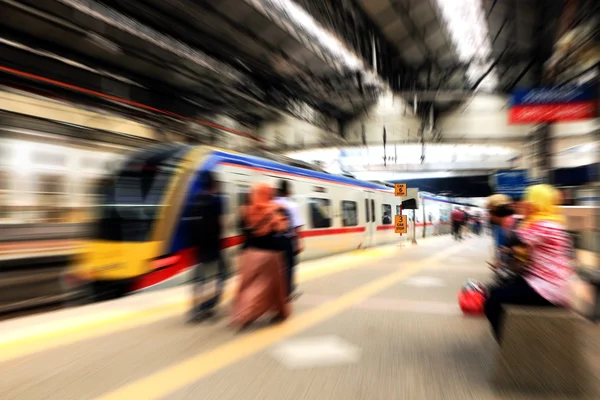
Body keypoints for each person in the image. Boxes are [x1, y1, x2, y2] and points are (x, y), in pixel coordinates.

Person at [484, 185, 573, 344]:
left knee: (493, 300)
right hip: (549, 282)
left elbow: (515, 240)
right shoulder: (553, 221)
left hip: (548, 288)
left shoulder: (542, 225)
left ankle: (511, 345)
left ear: (536, 203)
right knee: (498, 289)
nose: (524, 203)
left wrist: (515, 219)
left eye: (528, 200)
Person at [231, 182, 291, 330]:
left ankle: (243, 312)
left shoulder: (245, 210)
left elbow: (241, 229)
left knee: (247, 286)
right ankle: (247, 314)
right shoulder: (276, 210)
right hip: (269, 254)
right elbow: (283, 229)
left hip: (249, 254)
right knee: (269, 286)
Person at [188, 171, 226, 322]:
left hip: (198, 246)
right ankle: (209, 306)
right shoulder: (217, 201)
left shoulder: (194, 200)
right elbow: (221, 223)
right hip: (213, 244)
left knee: (200, 278)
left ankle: (196, 308)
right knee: (221, 274)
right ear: (214, 185)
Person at [274, 180, 305, 300]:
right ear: (288, 191)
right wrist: (299, 242)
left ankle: (276, 291)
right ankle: (288, 292)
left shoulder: (271, 204)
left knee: (276, 267)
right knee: (290, 266)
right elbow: (297, 226)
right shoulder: (293, 205)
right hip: (288, 240)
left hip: (273, 241)